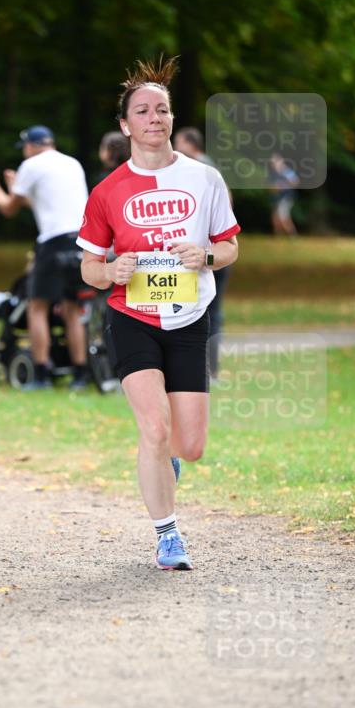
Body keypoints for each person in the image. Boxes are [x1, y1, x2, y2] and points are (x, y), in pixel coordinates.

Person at [78, 57, 240, 570]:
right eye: (143, 111)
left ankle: (164, 464)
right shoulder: (107, 192)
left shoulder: (205, 179)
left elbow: (230, 248)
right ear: (126, 125)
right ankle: (168, 535)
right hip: (133, 317)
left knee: (188, 446)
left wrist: (207, 257)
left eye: (163, 110)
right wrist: (111, 271)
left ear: (171, 119)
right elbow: (87, 268)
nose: (155, 118)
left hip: (191, 318)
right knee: (153, 427)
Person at [0, 126, 90, 389]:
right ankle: (81, 375)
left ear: (32, 145)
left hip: (53, 243)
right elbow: (44, 202)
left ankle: (40, 374)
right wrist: (17, 189)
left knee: (37, 307)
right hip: (83, 241)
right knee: (72, 309)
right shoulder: (72, 163)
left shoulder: (32, 164)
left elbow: (8, 208)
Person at [173, 126, 232, 378]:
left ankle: (206, 368)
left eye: (178, 142)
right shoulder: (205, 168)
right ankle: (208, 368)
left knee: (206, 310)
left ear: (190, 144)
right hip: (208, 250)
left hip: (206, 252)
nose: (174, 148)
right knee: (208, 310)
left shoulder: (200, 170)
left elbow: (225, 206)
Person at [268, 152, 299, 236]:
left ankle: (293, 236)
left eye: (275, 162)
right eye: (272, 163)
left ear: (280, 161)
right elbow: (270, 187)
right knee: (275, 218)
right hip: (278, 198)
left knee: (283, 217)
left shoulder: (286, 171)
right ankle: (278, 237)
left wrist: (282, 185)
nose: (273, 164)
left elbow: (295, 182)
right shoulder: (273, 174)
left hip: (286, 197)